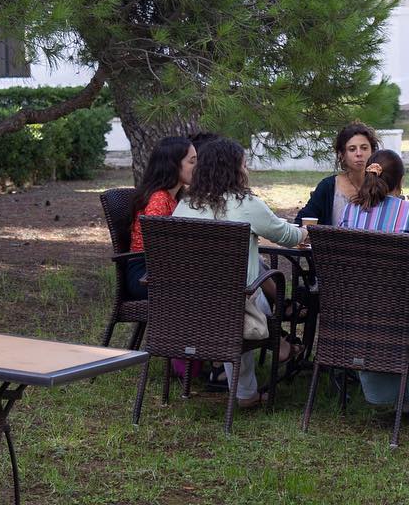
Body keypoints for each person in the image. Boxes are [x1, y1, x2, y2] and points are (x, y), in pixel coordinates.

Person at [173, 135, 307, 407]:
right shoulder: (245, 203)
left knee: (248, 294)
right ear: (233, 170)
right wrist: (306, 230)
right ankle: (249, 388)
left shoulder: (185, 204)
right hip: (233, 306)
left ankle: (252, 381)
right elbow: (287, 236)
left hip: (184, 304)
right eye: (244, 165)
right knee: (254, 295)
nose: (246, 171)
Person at [336, 149, 409, 408]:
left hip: (358, 317)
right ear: (400, 181)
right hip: (405, 320)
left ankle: (384, 393)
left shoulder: (348, 213)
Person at [126, 136, 196, 299]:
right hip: (145, 276)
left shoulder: (175, 197)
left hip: (161, 271)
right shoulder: (159, 199)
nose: (197, 167)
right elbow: (155, 245)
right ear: (172, 164)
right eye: (192, 162)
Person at [294, 121, 379, 226]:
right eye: (352, 149)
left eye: (364, 148)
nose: (359, 153)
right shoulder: (328, 187)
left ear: (373, 151)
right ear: (341, 155)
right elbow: (301, 221)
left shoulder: (382, 185)